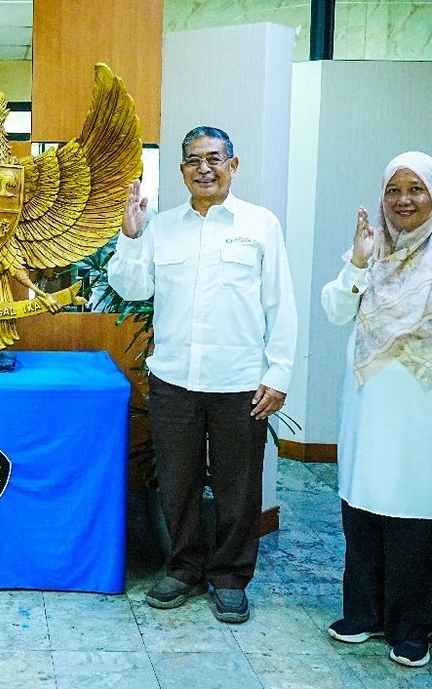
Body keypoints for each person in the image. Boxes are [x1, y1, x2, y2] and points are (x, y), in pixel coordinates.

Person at [108, 126, 296, 623]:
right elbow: (130, 289)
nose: (204, 168)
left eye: (214, 158)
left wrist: (278, 374)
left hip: (240, 383)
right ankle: (185, 568)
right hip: (174, 381)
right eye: (193, 160)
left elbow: (281, 305)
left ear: (233, 165)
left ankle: (231, 577)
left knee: (238, 486)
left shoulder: (260, 225)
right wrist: (130, 236)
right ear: (182, 170)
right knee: (177, 482)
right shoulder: (162, 226)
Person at [321, 151, 432, 668]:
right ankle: (366, 613)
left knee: (420, 518)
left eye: (415, 189)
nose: (403, 201)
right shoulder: (372, 249)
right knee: (365, 507)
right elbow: (335, 311)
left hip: (427, 412)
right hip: (369, 407)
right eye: (393, 190)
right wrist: (356, 260)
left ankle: (414, 626)